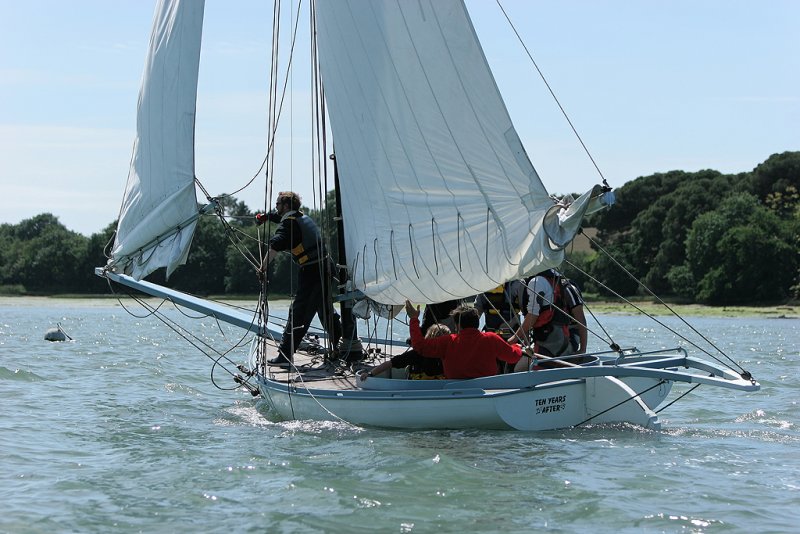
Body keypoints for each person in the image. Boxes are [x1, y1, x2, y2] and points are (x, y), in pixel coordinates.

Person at [260, 191, 342, 367]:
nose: (276, 207)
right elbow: (279, 218)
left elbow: (276, 244)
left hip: (312, 272)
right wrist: (266, 217)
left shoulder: (289, 225)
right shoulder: (300, 216)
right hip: (327, 266)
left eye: (278, 204)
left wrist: (263, 268)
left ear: (286, 206)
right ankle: (341, 345)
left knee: (298, 313)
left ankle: (285, 356)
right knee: (325, 310)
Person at [405, 300, 522, 379]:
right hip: (486, 391)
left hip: (455, 392)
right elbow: (513, 357)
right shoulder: (491, 338)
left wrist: (414, 319)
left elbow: (419, 346)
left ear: (458, 326)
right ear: (477, 322)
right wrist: (517, 348)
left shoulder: (448, 341)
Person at [508, 269, 571, 358]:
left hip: (548, 343)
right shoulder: (552, 279)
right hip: (562, 338)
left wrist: (513, 339)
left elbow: (533, 315)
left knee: (517, 369)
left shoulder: (536, 282)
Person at [359, 323, 450, 381]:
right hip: (416, 389)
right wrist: (370, 374)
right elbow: (391, 363)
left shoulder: (449, 354)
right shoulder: (417, 354)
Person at [561, 278, 588, 354]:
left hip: (571, 333)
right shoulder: (536, 286)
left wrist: (582, 350)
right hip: (549, 334)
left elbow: (581, 320)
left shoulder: (569, 289)